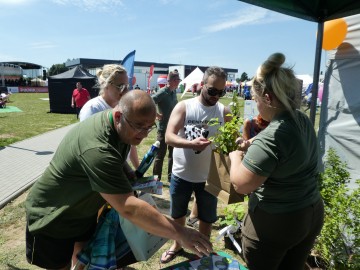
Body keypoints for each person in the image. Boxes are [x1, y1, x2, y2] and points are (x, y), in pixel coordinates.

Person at [25, 90, 213, 270]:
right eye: (139, 126)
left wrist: (125, 170)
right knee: (61, 266)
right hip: (54, 217)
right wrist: (180, 232)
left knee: (84, 258)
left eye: (149, 127)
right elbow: (128, 206)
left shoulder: (119, 123)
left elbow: (117, 153)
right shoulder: (97, 149)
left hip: (82, 213)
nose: (144, 134)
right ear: (118, 117)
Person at [228, 53, 324, 270]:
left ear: (268, 98)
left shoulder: (271, 137)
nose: (255, 102)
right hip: (310, 210)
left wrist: (235, 158)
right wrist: (254, 143)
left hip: (278, 222)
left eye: (255, 98)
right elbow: (284, 149)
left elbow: (242, 185)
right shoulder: (301, 119)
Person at [161, 66, 231, 263]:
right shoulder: (185, 106)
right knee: (178, 215)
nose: (216, 96)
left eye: (221, 92)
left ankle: (203, 249)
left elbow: (232, 143)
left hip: (209, 177)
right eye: (212, 90)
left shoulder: (225, 112)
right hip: (181, 174)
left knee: (207, 218)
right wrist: (190, 144)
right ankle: (176, 244)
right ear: (202, 85)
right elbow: (169, 136)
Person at [79, 64, 139, 168]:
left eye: (127, 86)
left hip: (119, 168)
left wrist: (138, 171)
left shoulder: (122, 106)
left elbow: (130, 142)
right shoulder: (92, 108)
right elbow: (90, 150)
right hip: (103, 171)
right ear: (106, 84)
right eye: (120, 86)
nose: (125, 91)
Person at [151, 70, 181, 181]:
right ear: (173, 81)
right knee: (160, 155)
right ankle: (156, 180)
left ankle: (170, 178)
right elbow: (150, 101)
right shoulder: (163, 92)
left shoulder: (173, 93)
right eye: (178, 80)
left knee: (173, 155)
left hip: (173, 129)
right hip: (163, 129)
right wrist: (156, 114)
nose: (179, 82)